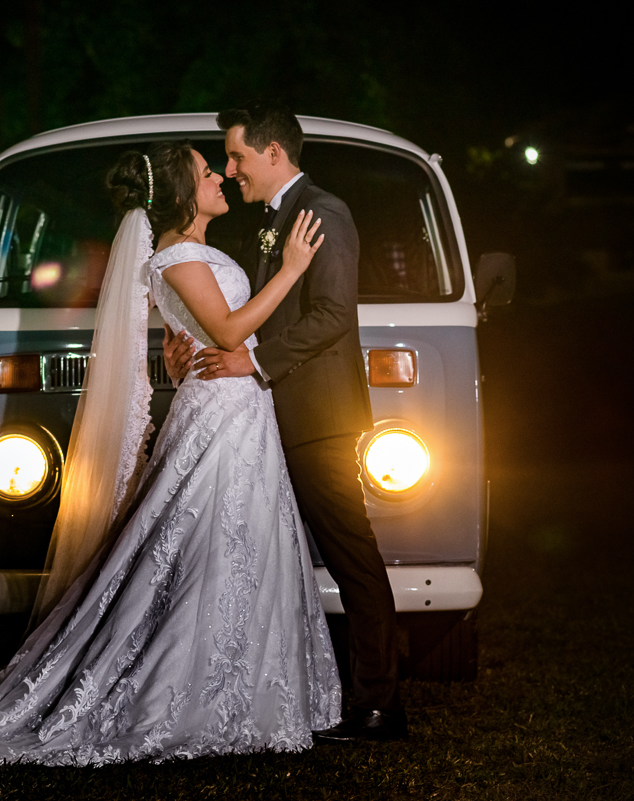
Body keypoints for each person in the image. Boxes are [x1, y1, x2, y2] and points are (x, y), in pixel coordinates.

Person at [0, 140, 341, 766]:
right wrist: (292, 270)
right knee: (208, 544)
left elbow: (204, 333)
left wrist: (186, 356)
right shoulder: (177, 255)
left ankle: (243, 685)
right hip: (222, 414)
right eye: (206, 172)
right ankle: (191, 689)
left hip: (238, 406)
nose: (220, 177)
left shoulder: (194, 253)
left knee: (236, 541)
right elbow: (227, 330)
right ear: (180, 193)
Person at [173, 101, 404, 741]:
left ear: (273, 152)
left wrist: (252, 362)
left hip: (318, 417)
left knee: (352, 557)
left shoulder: (324, 212)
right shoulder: (273, 220)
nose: (231, 170)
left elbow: (332, 314)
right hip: (276, 415)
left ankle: (380, 705)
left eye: (237, 156)